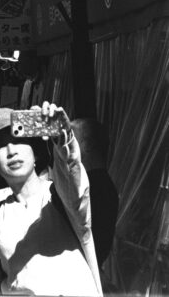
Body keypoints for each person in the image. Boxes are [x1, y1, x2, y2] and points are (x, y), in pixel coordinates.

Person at [0, 102, 102, 296]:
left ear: (35, 152)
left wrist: (62, 135)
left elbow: (73, 178)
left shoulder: (60, 196)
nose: (11, 150)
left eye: (17, 139)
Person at [71, 118, 119, 276]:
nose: (64, 145)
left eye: (71, 138)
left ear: (88, 145)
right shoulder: (100, 185)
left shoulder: (93, 188)